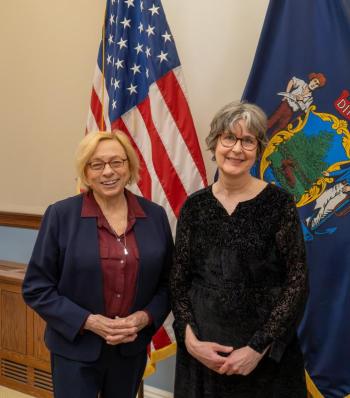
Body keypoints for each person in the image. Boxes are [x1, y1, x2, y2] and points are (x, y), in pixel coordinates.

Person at [170, 101, 309, 397]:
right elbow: (179, 280)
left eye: (248, 141)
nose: (236, 149)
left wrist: (257, 348)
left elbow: (297, 282)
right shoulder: (194, 206)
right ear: (215, 143)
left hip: (265, 362)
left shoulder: (279, 204)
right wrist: (190, 341)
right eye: (229, 138)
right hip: (202, 360)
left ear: (258, 149)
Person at [22, 131, 173, 398]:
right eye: (97, 164)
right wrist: (89, 321)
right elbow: (37, 288)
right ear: (86, 171)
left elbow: (168, 284)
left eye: (117, 162)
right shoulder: (60, 215)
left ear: (129, 167)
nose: (108, 172)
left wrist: (143, 318)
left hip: (130, 348)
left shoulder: (155, 215)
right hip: (75, 349)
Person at [268, 72, 326, 136]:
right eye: (314, 81)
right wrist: (287, 93)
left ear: (317, 87)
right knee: (273, 120)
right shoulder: (302, 84)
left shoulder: (310, 98)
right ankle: (259, 135)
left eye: (317, 84)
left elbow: (305, 110)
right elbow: (292, 81)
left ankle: (269, 143)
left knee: (281, 128)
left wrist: (301, 101)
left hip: (291, 112)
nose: (314, 84)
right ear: (311, 79)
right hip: (285, 105)